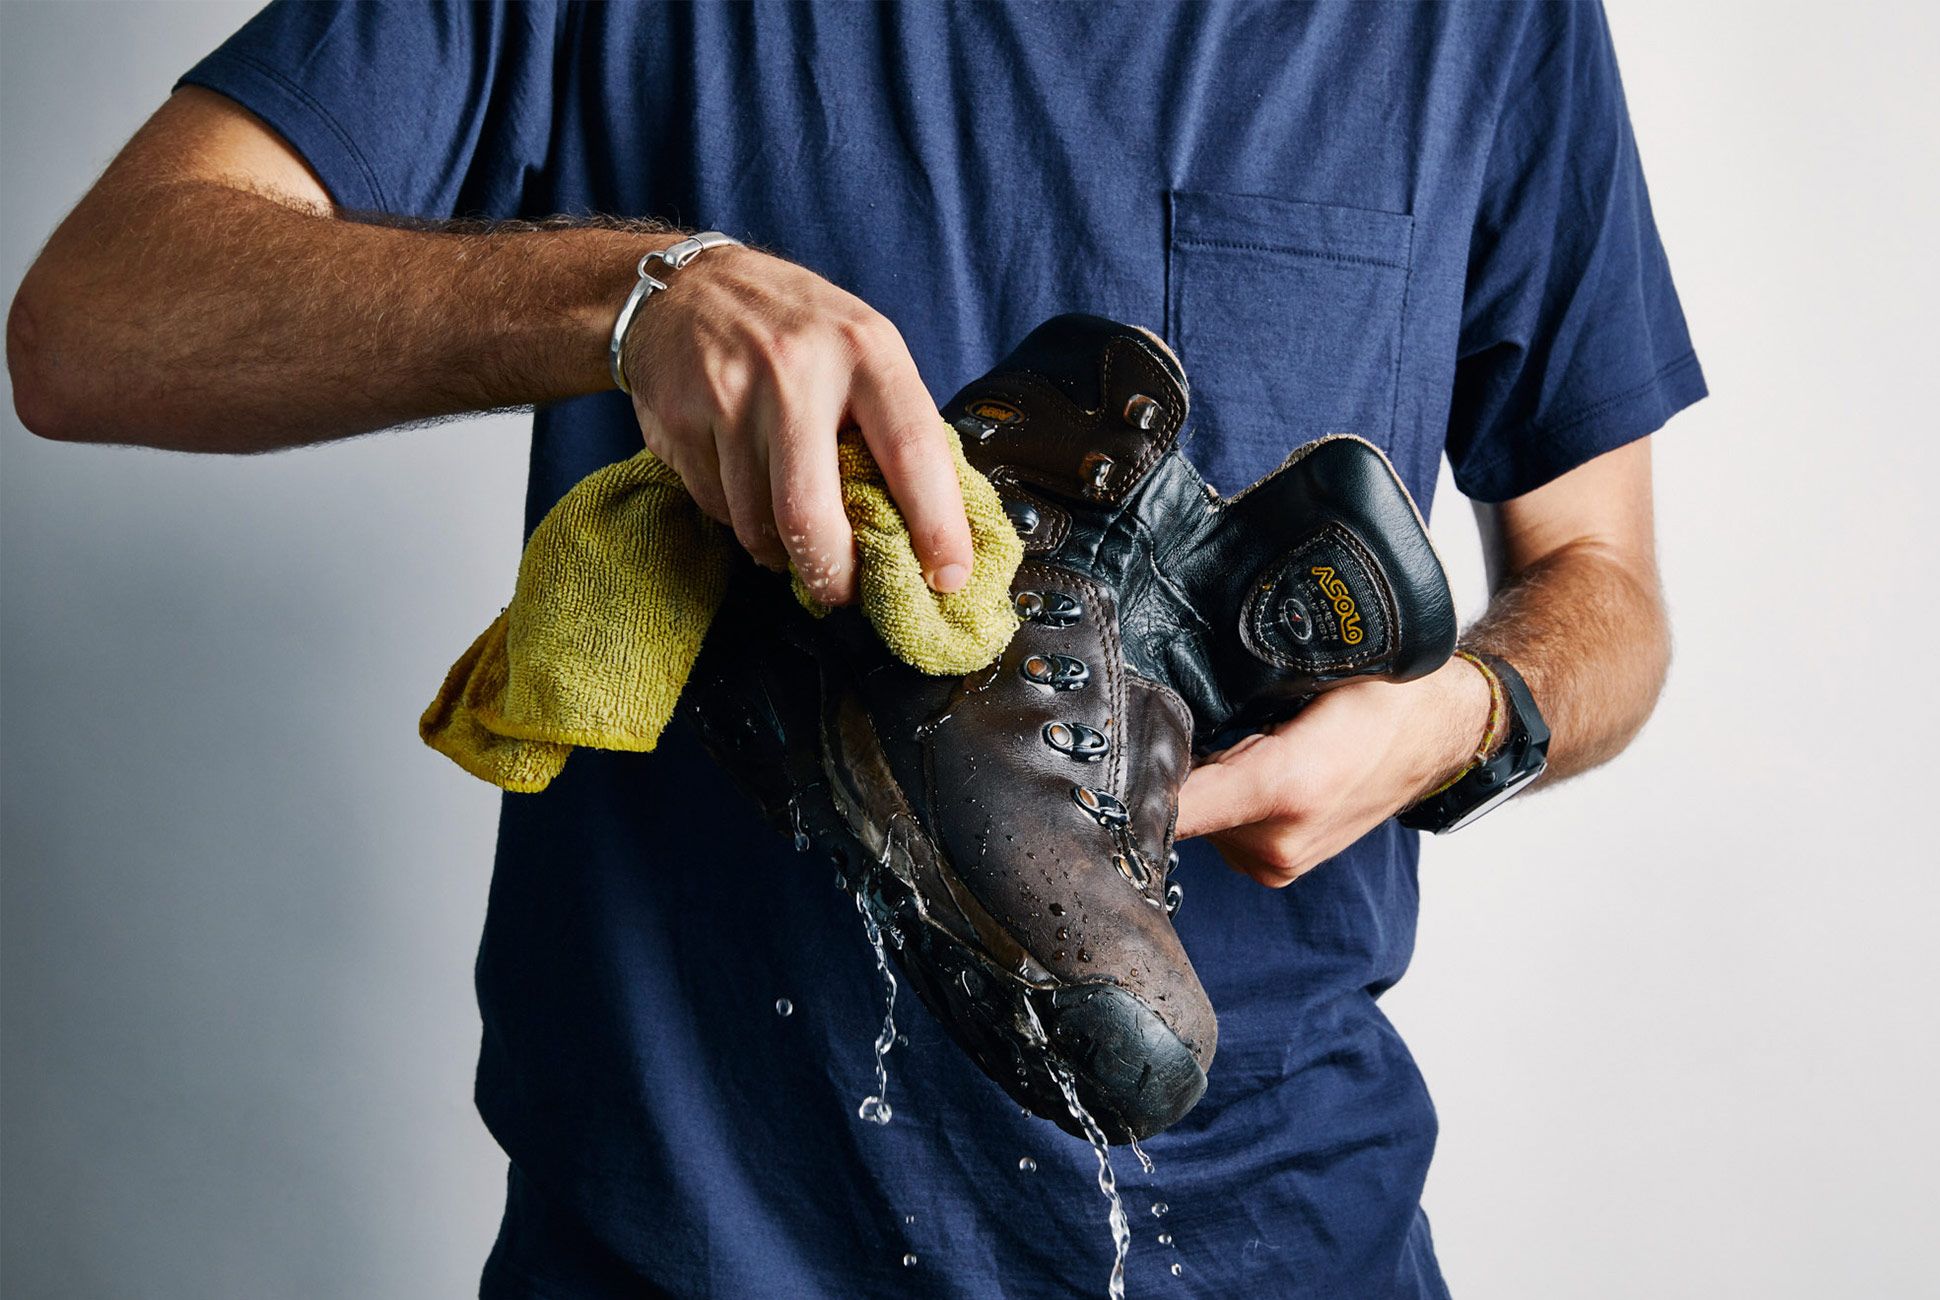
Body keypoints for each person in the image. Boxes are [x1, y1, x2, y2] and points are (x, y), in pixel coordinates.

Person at [4, 2, 1703, 1295]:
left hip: (1281, 1232)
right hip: (688, 1241)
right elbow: (93, 320)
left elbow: (1603, 578)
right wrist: (636, 294)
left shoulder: (1483, 24)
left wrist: (1460, 721)